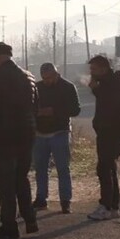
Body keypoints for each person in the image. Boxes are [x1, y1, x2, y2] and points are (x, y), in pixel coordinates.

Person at [0, 42, 38, 239]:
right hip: (27, 134)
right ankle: (30, 220)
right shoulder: (28, 76)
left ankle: (9, 226)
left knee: (6, 183)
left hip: (5, 136)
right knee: (21, 179)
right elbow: (35, 107)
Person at [32, 62, 81, 214]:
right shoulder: (37, 87)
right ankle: (41, 198)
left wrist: (53, 111)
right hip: (40, 133)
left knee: (62, 168)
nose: (47, 81)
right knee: (40, 169)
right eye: (45, 78)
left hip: (60, 132)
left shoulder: (68, 87)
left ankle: (65, 201)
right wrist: (37, 113)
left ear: (56, 74)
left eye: (50, 77)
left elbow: (75, 109)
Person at [87, 55, 120, 221]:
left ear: (103, 69)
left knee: (104, 168)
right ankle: (113, 207)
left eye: (94, 69)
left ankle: (106, 206)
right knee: (109, 168)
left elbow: (111, 103)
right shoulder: (108, 82)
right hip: (107, 131)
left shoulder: (116, 82)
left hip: (114, 132)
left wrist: (96, 89)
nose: (91, 72)